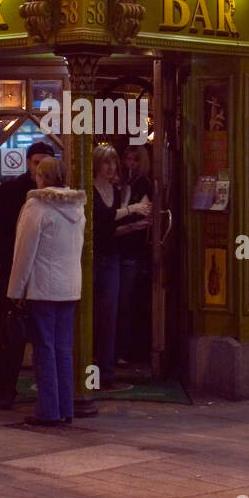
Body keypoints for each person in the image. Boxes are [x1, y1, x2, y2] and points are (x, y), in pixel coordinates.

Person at [9, 157, 86, 426]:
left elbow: (24, 252)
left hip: (43, 288)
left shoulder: (37, 207)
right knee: (64, 348)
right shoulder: (78, 207)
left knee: (44, 348)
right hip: (70, 287)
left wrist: (16, 289)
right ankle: (65, 408)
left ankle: (48, 410)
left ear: (43, 177)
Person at [0, 140, 54, 408]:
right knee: (11, 332)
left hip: (46, 275)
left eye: (46, 164)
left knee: (45, 336)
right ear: (28, 163)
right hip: (15, 272)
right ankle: (5, 390)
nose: (41, 170)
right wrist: (9, 264)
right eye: (37, 163)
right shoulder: (11, 191)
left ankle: (48, 392)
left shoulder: (58, 195)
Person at [92, 145, 149, 388]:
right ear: (96, 165)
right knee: (89, 313)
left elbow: (109, 231)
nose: (112, 168)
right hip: (91, 258)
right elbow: (98, 220)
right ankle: (86, 366)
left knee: (110, 314)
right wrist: (131, 209)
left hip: (111, 256)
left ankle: (106, 371)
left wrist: (132, 227)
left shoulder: (114, 191)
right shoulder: (90, 189)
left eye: (114, 163)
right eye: (107, 163)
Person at [116, 145, 152, 366]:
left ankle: (127, 351)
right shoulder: (122, 183)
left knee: (127, 301)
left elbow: (145, 213)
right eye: (127, 158)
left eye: (135, 160)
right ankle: (118, 350)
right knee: (119, 301)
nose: (130, 163)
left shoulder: (143, 184)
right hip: (119, 245)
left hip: (132, 249)